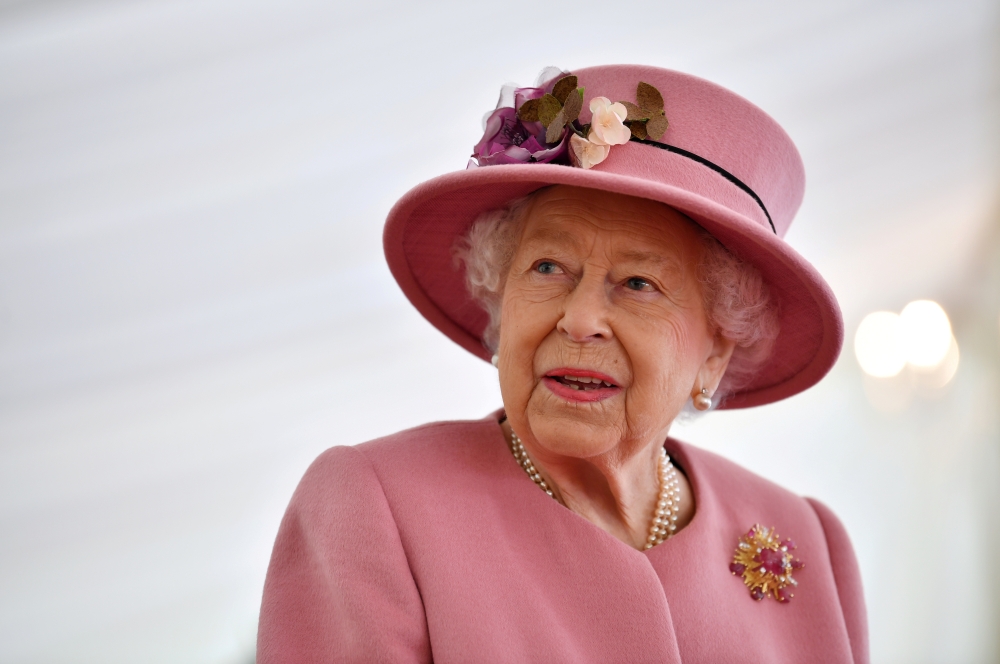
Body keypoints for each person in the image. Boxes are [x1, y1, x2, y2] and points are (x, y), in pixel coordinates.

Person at [256, 65, 868, 663]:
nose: (579, 319)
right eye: (547, 268)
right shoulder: (377, 506)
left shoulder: (806, 540)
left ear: (715, 351)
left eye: (637, 282)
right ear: (500, 300)